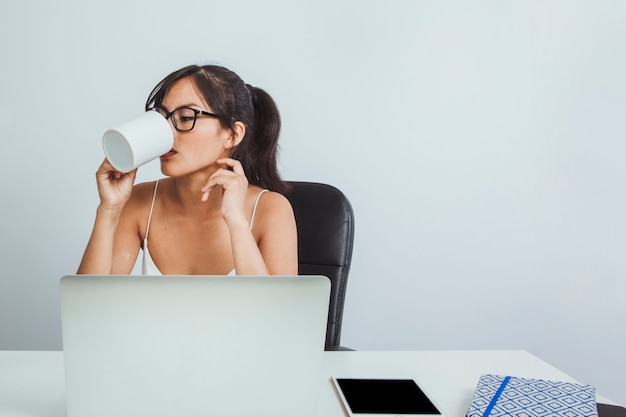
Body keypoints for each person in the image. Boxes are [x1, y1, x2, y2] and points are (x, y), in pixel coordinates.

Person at [78, 64, 298, 276]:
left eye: (185, 118)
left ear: (232, 134)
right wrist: (109, 210)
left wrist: (236, 221)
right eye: (162, 118)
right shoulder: (140, 202)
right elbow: (86, 308)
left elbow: (274, 312)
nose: (166, 132)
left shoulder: (272, 210)